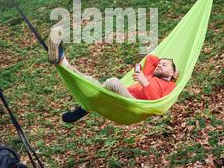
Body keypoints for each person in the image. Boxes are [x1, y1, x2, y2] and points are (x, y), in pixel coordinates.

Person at [48, 25, 178, 123]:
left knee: (113, 82)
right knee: (90, 82)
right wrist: (160, 65)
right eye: (160, 63)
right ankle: (61, 61)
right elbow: (151, 58)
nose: (160, 64)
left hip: (136, 107)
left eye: (164, 64)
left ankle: (84, 108)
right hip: (120, 97)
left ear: (172, 73)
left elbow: (157, 105)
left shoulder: (170, 86)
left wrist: (145, 82)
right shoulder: (150, 74)